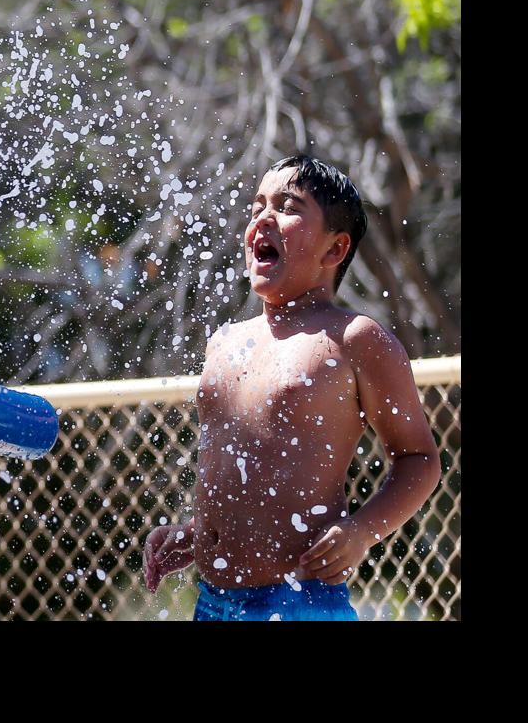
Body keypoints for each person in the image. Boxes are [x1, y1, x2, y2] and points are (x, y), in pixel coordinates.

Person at [142, 154, 440, 620]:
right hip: (213, 601)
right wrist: (198, 532)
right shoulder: (226, 342)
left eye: (287, 207)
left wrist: (362, 530)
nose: (263, 218)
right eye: (257, 206)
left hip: (299, 597)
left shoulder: (352, 339)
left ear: (334, 249)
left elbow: (419, 459)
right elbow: (248, 470)